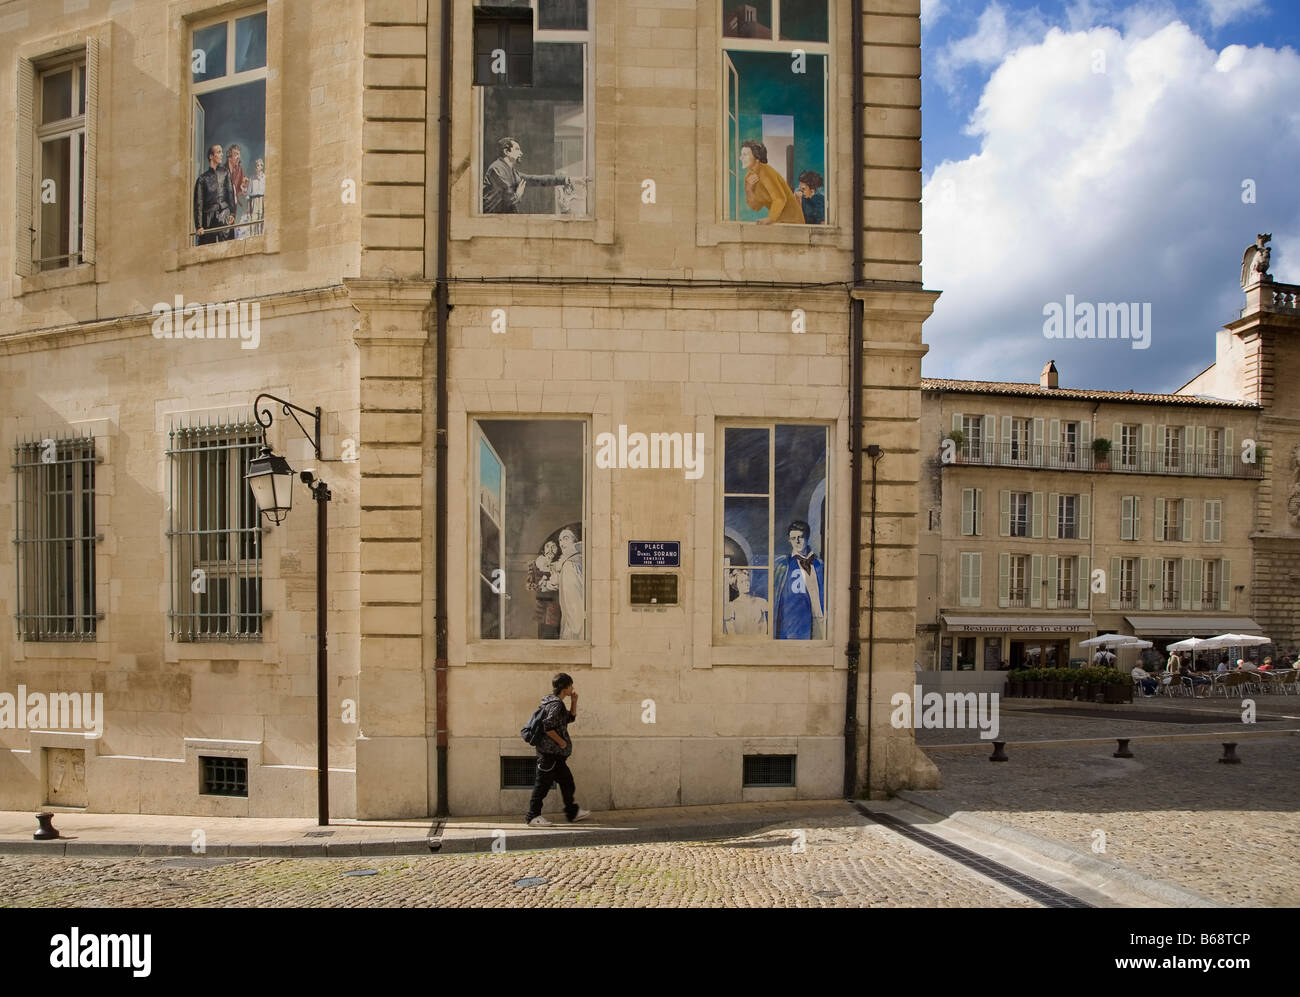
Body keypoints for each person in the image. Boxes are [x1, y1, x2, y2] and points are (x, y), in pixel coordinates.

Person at [525, 673, 590, 827]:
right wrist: (561, 742)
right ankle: (533, 817)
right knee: (542, 786)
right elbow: (548, 727)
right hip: (549, 753)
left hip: (556, 755)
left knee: (567, 782)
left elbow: (569, 718)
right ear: (565, 687)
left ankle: (572, 812)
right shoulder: (556, 704)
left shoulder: (553, 702)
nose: (573, 688)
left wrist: (574, 702)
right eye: (571, 685)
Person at [482, 136, 571, 214]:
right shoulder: (496, 169)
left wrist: (565, 180)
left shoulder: (512, 172)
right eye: (517, 149)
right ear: (506, 151)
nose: (521, 153)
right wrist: (517, 195)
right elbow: (509, 199)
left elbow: (535, 179)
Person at [772, 519, 825, 639]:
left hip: (821, 620)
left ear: (807, 537)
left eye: (800, 537)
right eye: (793, 538)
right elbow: (777, 599)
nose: (797, 541)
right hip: (797, 624)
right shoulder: (784, 565)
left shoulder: (819, 564)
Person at [740, 140, 804, 224]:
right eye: (741, 155)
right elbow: (756, 207)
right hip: (778, 221)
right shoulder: (748, 178)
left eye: (745, 155)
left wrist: (770, 219)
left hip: (793, 221)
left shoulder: (766, 172)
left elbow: (780, 198)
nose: (741, 158)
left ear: (757, 158)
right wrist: (749, 190)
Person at [193, 143, 236, 244]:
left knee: (227, 245)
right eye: (219, 152)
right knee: (207, 246)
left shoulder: (225, 173)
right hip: (209, 217)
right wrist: (199, 226)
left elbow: (230, 193)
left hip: (224, 215)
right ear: (211, 156)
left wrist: (233, 213)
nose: (221, 154)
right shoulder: (202, 179)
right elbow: (198, 204)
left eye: (222, 152)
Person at [548, 527, 584, 640]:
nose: (562, 543)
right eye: (560, 540)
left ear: (575, 541)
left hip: (575, 625)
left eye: (566, 538)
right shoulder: (573, 562)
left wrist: (575, 629)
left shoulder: (569, 566)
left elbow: (574, 603)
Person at [723, 567, 768, 635]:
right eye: (742, 581)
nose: (746, 583)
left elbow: (764, 629)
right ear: (736, 585)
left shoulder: (760, 602)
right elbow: (731, 633)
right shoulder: (731, 607)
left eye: (747, 580)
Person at [225, 144, 249, 237]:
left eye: (239, 154)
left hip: (233, 204)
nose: (238, 157)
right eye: (235, 154)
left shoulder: (239, 170)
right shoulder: (223, 170)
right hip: (224, 204)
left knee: (232, 229)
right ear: (229, 157)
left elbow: (241, 190)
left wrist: (244, 185)